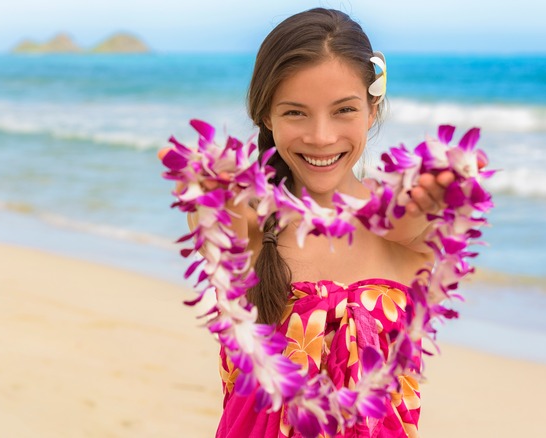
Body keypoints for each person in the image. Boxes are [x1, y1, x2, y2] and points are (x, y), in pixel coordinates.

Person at [185, 8, 454, 438]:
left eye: (344, 109)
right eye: (296, 113)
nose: (322, 136)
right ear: (266, 117)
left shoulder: (409, 229)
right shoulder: (250, 226)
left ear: (372, 109)